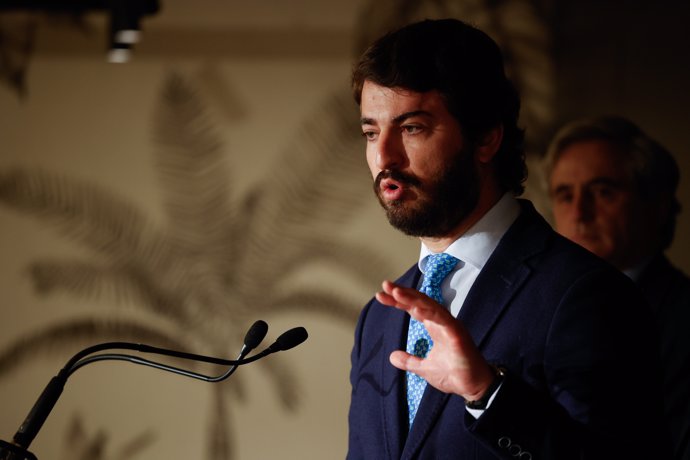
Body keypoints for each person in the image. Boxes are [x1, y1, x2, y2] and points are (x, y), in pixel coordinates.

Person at [347, 18, 669, 460]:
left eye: (412, 128)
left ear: (485, 138)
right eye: (370, 132)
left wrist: (488, 393)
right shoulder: (377, 320)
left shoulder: (586, 294)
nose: (383, 156)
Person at [545, 115, 690, 460]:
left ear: (656, 206)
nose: (579, 212)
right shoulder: (541, 307)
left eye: (602, 192)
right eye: (565, 195)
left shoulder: (682, 318)